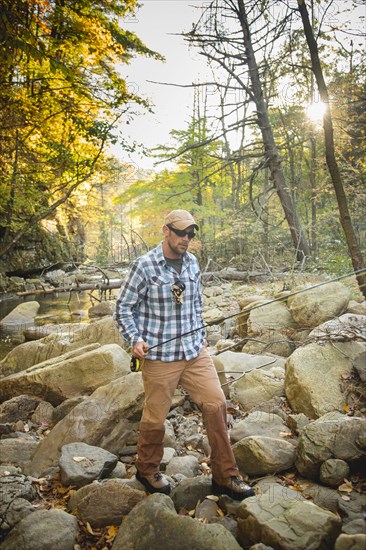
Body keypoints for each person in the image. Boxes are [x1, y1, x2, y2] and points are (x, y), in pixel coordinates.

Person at [115, 209, 254, 500]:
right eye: (181, 233)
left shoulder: (192, 263)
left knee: (216, 404)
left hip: (193, 351)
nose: (186, 239)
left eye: (190, 234)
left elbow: (194, 303)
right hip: (158, 354)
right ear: (166, 231)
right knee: (155, 417)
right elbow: (123, 307)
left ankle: (225, 476)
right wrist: (135, 339)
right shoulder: (145, 265)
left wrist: (201, 334)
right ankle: (147, 469)